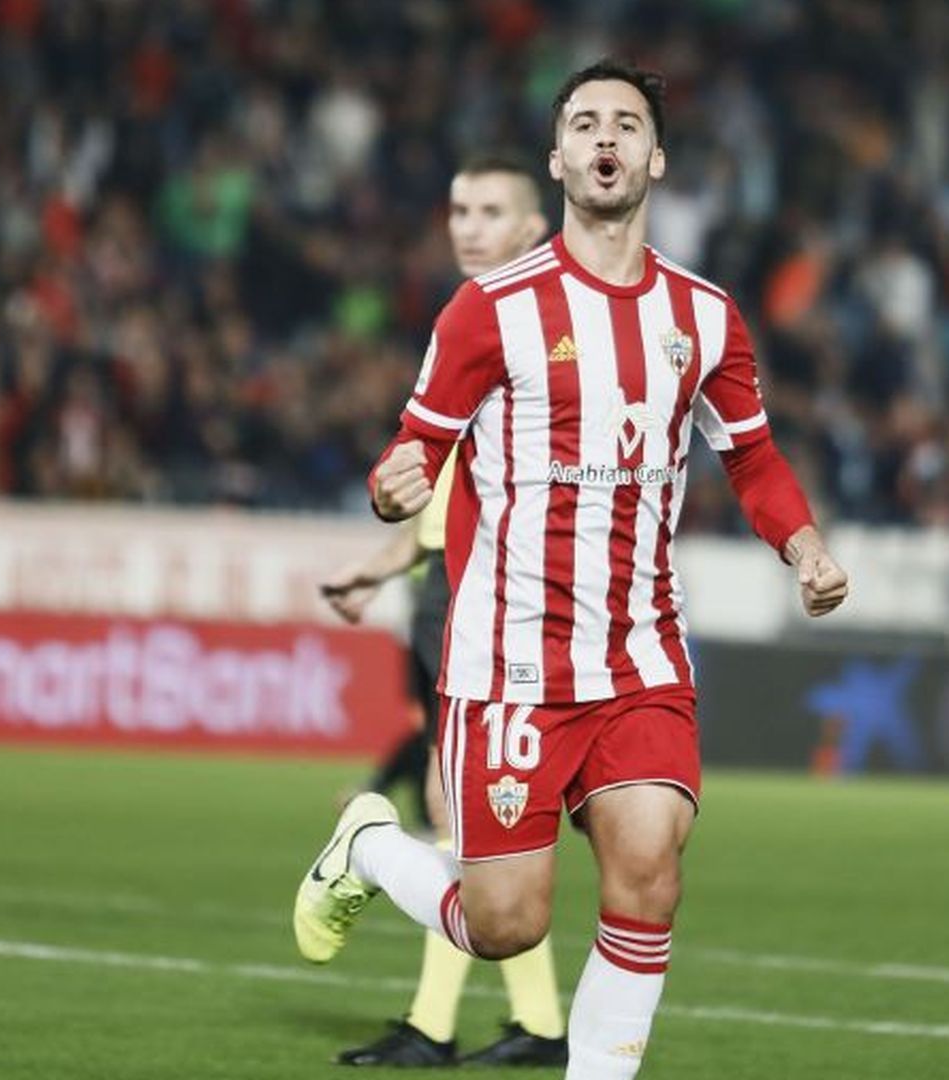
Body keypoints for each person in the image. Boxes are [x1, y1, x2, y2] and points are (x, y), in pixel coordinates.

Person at [293, 60, 849, 1080]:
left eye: (627, 124)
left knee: (649, 874)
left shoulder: (705, 316)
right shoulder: (488, 310)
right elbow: (409, 452)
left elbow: (753, 457)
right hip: (510, 660)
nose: (606, 138)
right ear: (557, 159)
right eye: (585, 123)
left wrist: (802, 544)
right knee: (503, 923)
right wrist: (392, 487)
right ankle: (368, 843)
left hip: (640, 654)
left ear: (657, 158)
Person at [315, 153, 571, 1067]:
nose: (467, 226)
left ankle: (444, 1026)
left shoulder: (519, 324)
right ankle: (530, 1025)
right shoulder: (477, 320)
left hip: (492, 601)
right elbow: (444, 494)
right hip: (453, 588)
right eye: (459, 210)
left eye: (490, 211)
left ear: (534, 227)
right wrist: (383, 567)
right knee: (472, 818)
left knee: (468, 817)